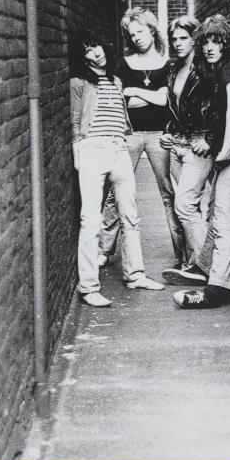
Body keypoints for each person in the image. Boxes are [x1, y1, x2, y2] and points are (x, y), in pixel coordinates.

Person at [69, 28, 164, 307]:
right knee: (91, 219)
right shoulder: (79, 82)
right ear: (82, 55)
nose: (95, 52)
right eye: (88, 49)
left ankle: (135, 275)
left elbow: (124, 113)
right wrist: (78, 150)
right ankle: (88, 287)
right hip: (92, 149)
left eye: (97, 45)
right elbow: (75, 120)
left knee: (130, 216)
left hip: (119, 147)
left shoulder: (116, 80)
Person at [173, 15, 230, 309]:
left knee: (223, 221)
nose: (209, 47)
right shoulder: (219, 72)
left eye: (215, 41)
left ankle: (218, 289)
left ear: (226, 43)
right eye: (205, 41)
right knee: (214, 218)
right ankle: (205, 269)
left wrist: (225, 149)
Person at [98, 8, 185, 270]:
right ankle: (104, 249)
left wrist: (136, 92)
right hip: (130, 135)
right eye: (131, 33)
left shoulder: (168, 64)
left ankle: (182, 254)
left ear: (152, 30)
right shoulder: (123, 65)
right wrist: (148, 95)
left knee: (170, 193)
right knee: (115, 191)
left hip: (160, 136)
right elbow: (126, 102)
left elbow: (164, 101)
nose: (137, 37)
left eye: (141, 31)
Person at [159, 15, 216, 283]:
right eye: (174, 39)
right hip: (178, 144)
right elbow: (174, 107)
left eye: (183, 38)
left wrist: (211, 138)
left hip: (198, 144)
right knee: (187, 207)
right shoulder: (173, 69)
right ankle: (196, 265)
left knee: (185, 206)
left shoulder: (206, 69)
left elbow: (220, 108)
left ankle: (205, 267)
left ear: (195, 39)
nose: (177, 43)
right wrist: (168, 132)